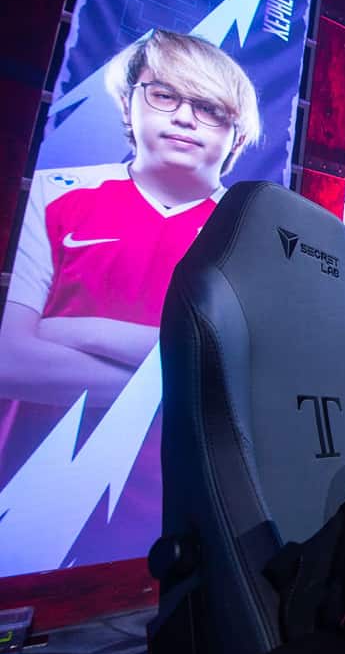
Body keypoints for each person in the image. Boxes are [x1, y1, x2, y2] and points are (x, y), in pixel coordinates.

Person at [0, 29, 260, 571]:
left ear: (236, 132)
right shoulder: (51, 193)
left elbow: (253, 378)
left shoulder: (253, 237)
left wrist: (75, 329)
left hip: (190, 508)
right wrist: (190, 379)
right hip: (30, 497)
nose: (185, 117)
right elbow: (11, 362)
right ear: (129, 101)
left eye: (210, 108)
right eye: (164, 94)